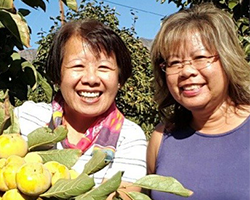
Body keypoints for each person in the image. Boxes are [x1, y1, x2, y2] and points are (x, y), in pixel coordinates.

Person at [14, 19, 147, 199]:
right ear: (57, 75)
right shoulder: (27, 118)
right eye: (78, 65)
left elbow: (118, 195)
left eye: (104, 67)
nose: (91, 78)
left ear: (120, 79)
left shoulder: (129, 138)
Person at [147, 3, 250, 200]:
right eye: (174, 62)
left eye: (200, 57)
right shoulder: (161, 139)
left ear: (228, 59)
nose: (186, 71)